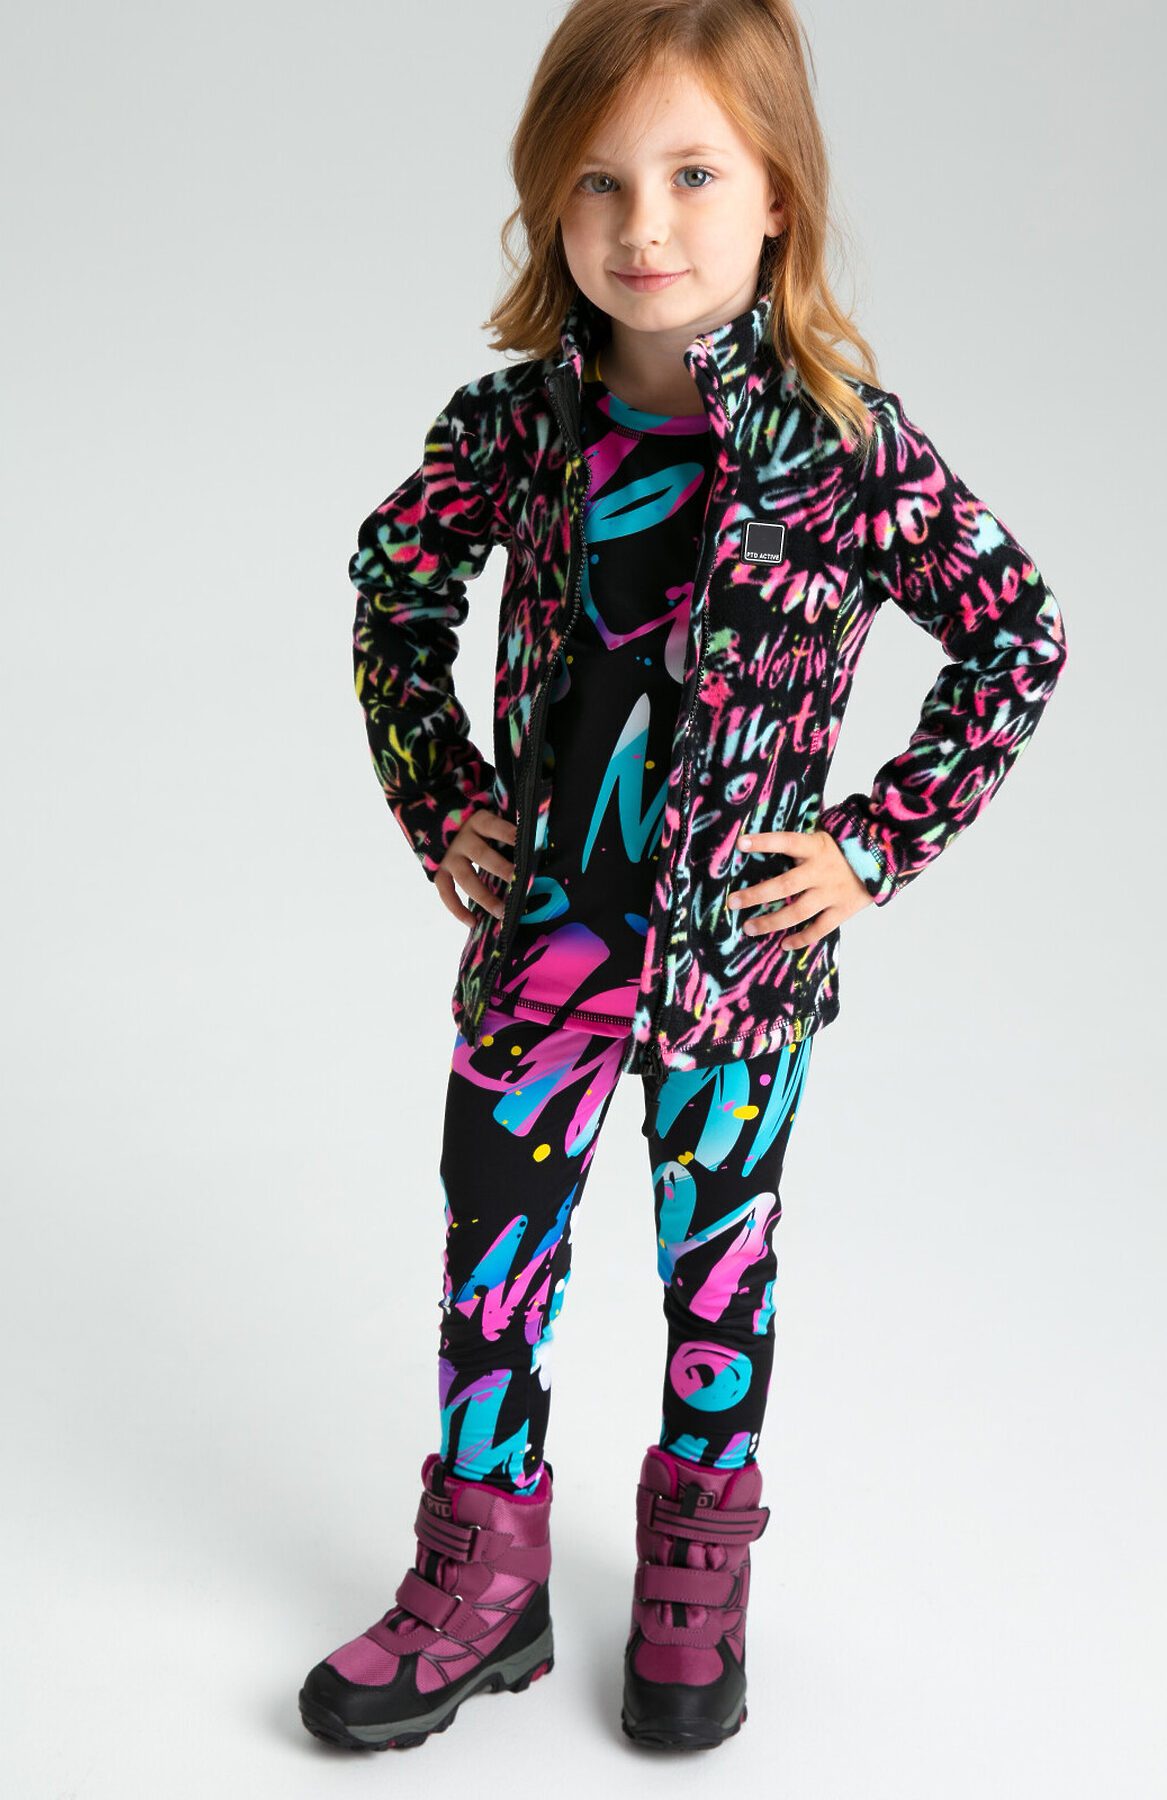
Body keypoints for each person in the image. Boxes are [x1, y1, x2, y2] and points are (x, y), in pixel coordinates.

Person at [299, 0, 1069, 1756]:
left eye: (695, 176)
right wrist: (441, 798)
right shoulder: (517, 430)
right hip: (543, 955)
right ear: (549, 206)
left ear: (779, 195)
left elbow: (1015, 636)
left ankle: (696, 1582)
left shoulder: (844, 450)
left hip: (737, 975)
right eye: (598, 182)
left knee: (722, 1274)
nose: (644, 225)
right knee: (493, 1261)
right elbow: (392, 595)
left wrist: (874, 843)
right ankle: (482, 1579)